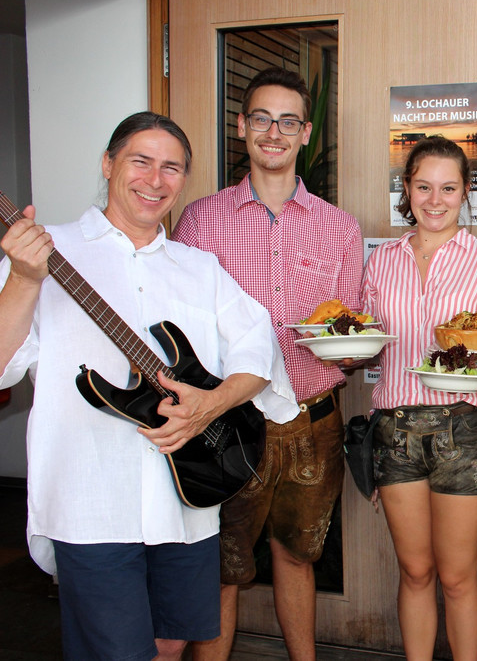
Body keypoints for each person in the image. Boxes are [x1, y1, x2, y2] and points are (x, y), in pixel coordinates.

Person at [0, 112, 295, 661]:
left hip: (186, 499)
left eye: (172, 168)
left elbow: (259, 350)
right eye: (141, 161)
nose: (155, 180)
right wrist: (21, 279)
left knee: (170, 642)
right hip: (91, 502)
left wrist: (211, 404)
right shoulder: (43, 252)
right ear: (108, 164)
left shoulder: (198, 267)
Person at [172, 67, 363, 661]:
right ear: (241, 126)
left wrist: (351, 348)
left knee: (298, 557)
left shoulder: (339, 226)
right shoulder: (201, 220)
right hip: (231, 422)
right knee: (222, 570)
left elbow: (349, 323)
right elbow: (181, 326)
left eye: (287, 121)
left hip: (313, 421)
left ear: (306, 132)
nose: (273, 132)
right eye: (261, 118)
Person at [362, 136, 477, 661]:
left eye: (448, 188)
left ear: (465, 192)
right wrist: (347, 351)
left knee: (456, 575)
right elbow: (368, 339)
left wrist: (469, 362)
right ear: (406, 190)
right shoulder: (382, 261)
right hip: (395, 425)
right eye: (424, 187)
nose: (435, 200)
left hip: (466, 425)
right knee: (414, 570)